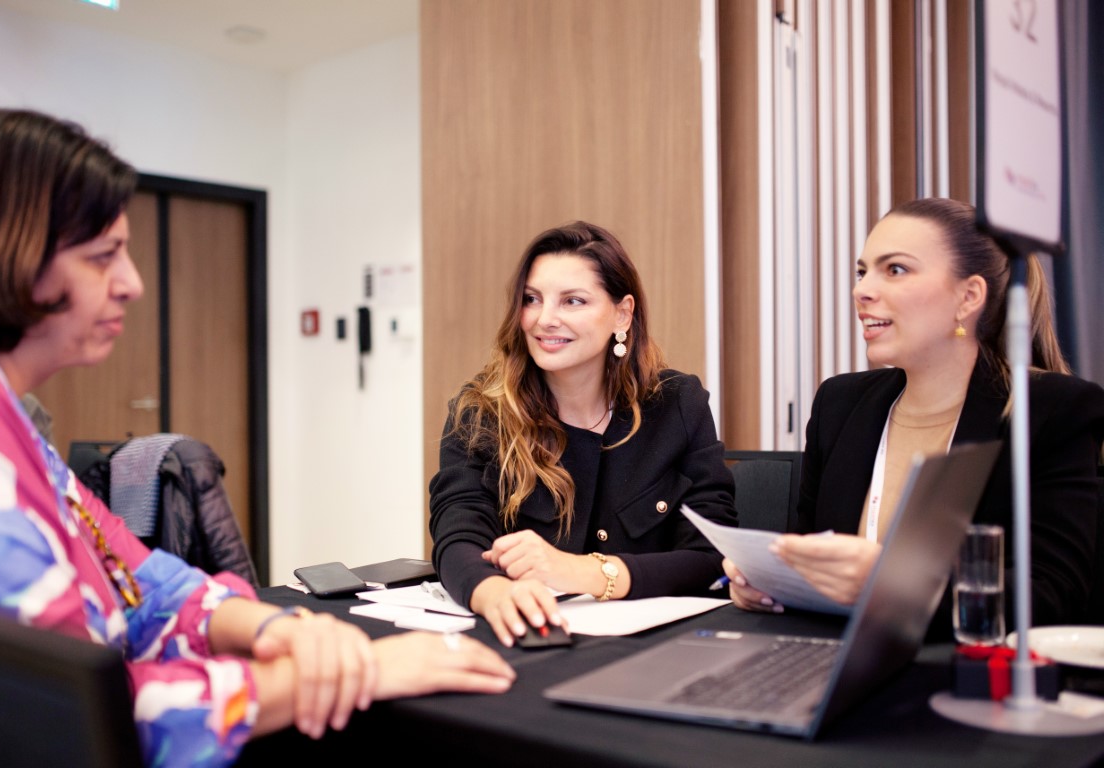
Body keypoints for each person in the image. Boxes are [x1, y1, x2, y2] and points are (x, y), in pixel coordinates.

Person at [0, 108, 515, 767]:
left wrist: (276, 628)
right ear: (9, 254)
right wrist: (352, 670)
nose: (132, 283)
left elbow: (143, 584)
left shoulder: (4, 418)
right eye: (103, 257)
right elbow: (76, 715)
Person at [724, 197, 1104, 637]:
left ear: (968, 297)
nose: (862, 291)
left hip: (960, 669)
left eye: (896, 269)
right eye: (862, 272)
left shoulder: (1052, 410)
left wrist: (892, 583)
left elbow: (1052, 596)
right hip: (832, 658)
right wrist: (772, 581)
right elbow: (810, 551)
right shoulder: (839, 403)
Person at [429, 221, 737, 647]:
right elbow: (456, 532)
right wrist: (494, 593)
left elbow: (711, 557)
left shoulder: (677, 404)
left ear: (622, 314)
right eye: (532, 299)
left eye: (573, 301)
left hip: (655, 649)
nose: (545, 319)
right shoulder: (480, 412)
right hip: (531, 642)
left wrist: (585, 573)